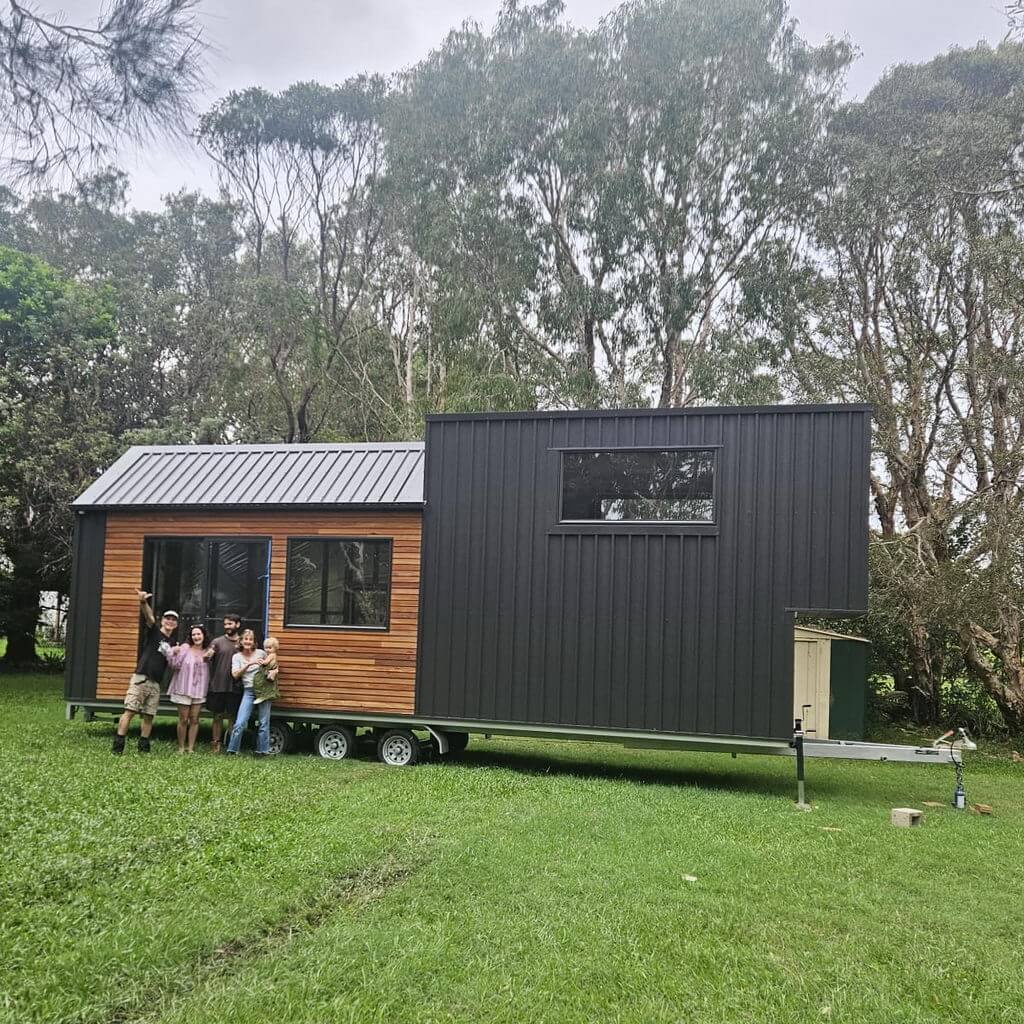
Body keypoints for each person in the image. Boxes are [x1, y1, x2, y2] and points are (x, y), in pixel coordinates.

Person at [112, 592, 178, 754]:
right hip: (141, 678)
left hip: (155, 683)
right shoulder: (155, 632)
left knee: (149, 715)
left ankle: (143, 746)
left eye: (173, 620)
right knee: (130, 711)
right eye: (167, 618)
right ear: (162, 621)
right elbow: (149, 618)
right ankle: (118, 745)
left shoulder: (173, 643)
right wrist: (143, 602)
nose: (170, 621)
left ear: (176, 624)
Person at [166, 624, 212, 753]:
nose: (196, 637)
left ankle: (190, 748)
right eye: (193, 635)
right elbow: (174, 665)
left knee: (195, 719)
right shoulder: (185, 648)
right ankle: (181, 747)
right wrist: (172, 653)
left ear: (203, 635)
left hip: (199, 690)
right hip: (183, 688)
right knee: (183, 719)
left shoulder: (207, 651)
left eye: (198, 634)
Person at [225, 629, 269, 756]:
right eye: (246, 639)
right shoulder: (237, 657)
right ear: (241, 641)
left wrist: (273, 671)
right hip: (248, 691)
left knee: (263, 722)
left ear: (254, 641)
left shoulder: (261, 653)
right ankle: (232, 750)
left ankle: (262, 751)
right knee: (240, 723)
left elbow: (272, 664)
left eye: (251, 639)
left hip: (263, 691)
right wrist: (249, 664)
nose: (248, 641)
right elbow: (235, 675)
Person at [205, 613, 242, 753]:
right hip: (218, 685)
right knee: (217, 716)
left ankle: (230, 744)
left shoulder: (243, 642)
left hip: (235, 686)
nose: (227, 627)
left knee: (233, 716)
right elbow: (208, 655)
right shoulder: (217, 642)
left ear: (237, 625)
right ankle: (216, 744)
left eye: (230, 624)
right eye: (225, 624)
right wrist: (207, 655)